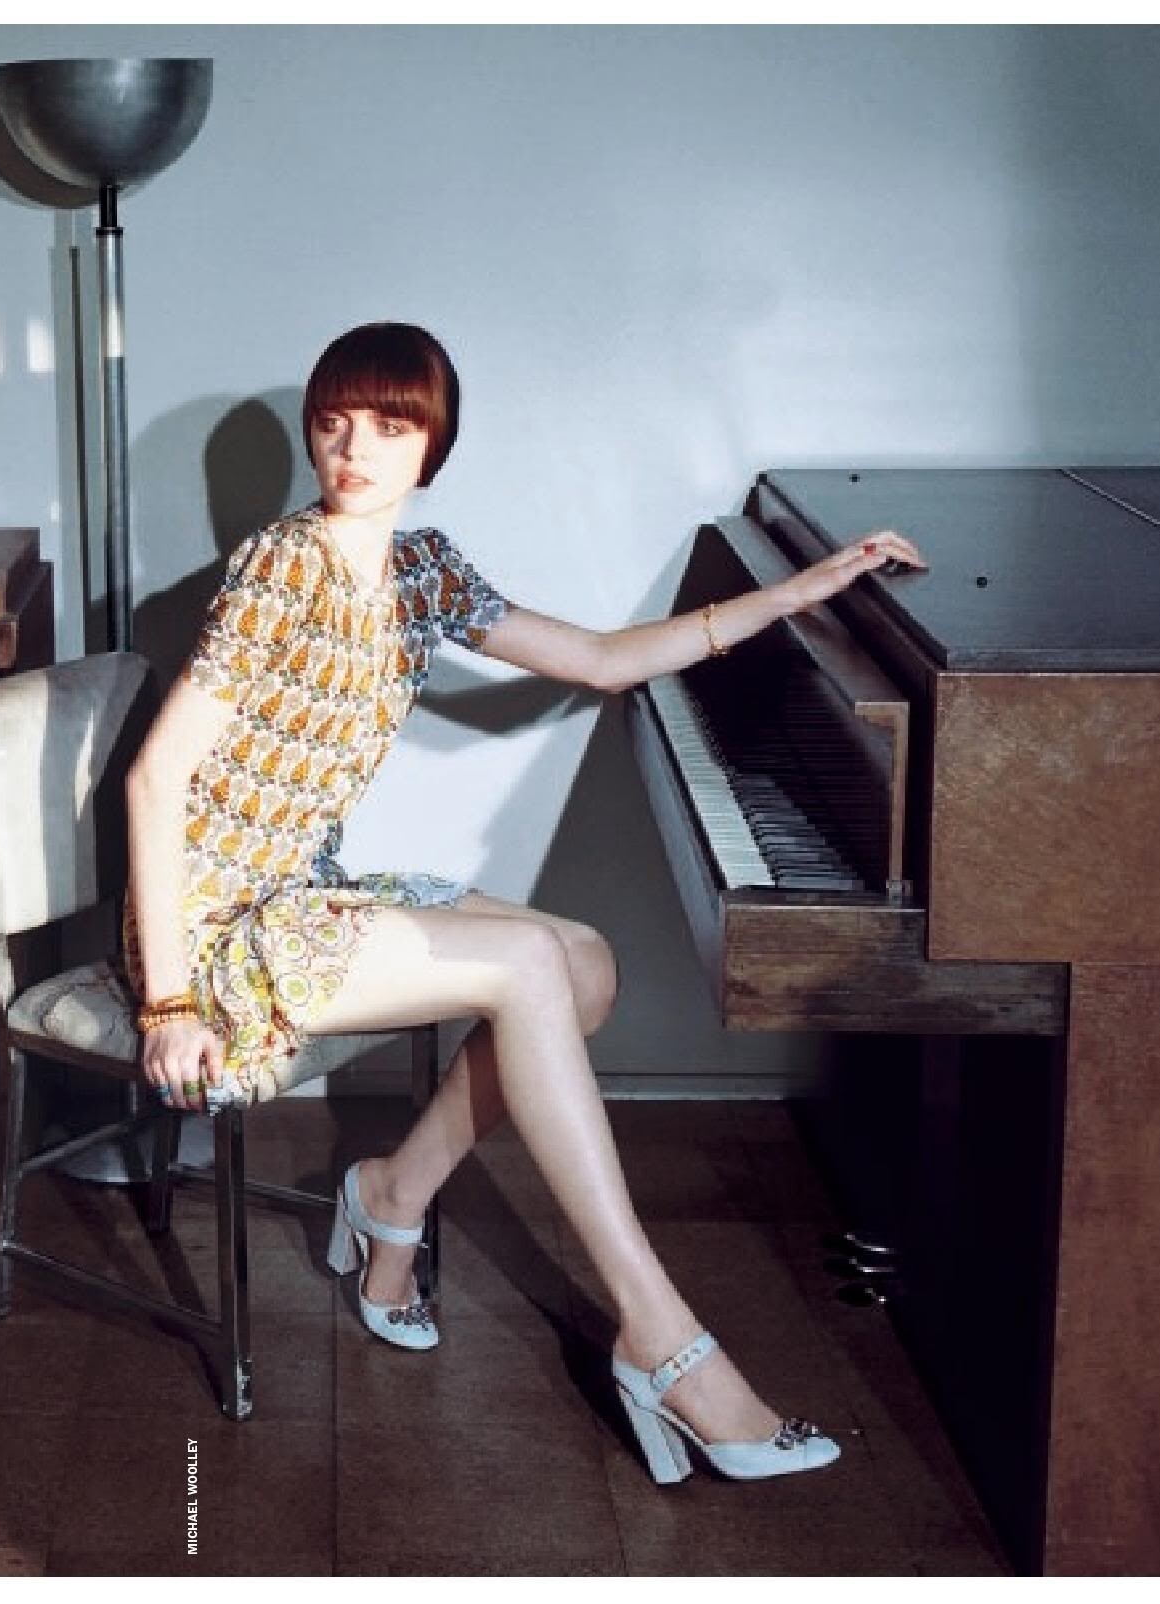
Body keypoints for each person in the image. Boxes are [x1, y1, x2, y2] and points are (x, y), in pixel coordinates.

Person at [119, 321, 927, 1483]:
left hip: (304, 892)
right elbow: (155, 778)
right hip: (216, 933)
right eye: (334, 423)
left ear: (431, 444)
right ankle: (658, 1332)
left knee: (585, 963)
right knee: (533, 967)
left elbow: (600, 658)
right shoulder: (282, 566)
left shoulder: (421, 568)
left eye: (388, 426)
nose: (353, 449)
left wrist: (805, 589)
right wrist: (167, 1002)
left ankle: (390, 1195)